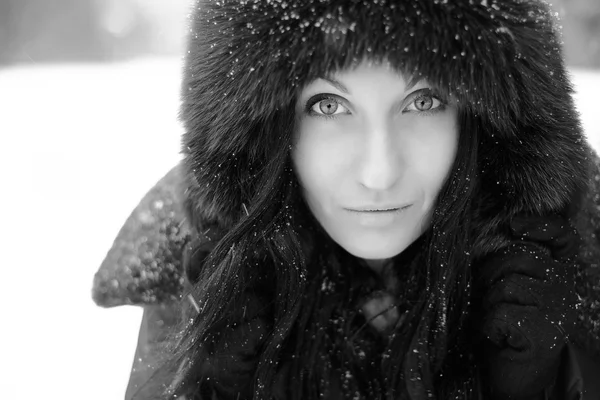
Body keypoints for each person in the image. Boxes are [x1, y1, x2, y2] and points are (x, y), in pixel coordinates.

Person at [92, 0, 600, 399]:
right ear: (262, 133)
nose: (379, 173)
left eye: (423, 102)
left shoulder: (566, 266)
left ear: (486, 126)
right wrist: (215, 388)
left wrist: (546, 383)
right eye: (328, 105)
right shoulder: (207, 275)